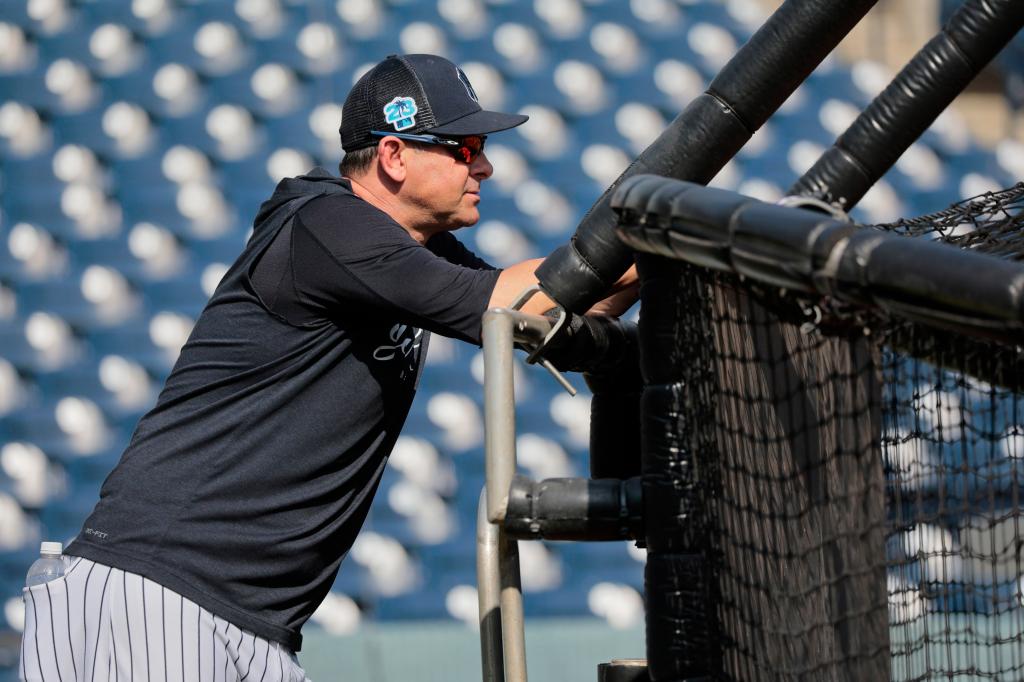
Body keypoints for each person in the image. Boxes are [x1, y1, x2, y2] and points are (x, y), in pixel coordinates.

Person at [19, 53, 637, 681]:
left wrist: (652, 256)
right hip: (156, 592)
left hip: (245, 623)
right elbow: (520, 299)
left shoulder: (401, 245)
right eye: (465, 145)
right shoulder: (329, 222)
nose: (485, 163)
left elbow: (554, 306)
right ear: (394, 156)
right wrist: (638, 232)